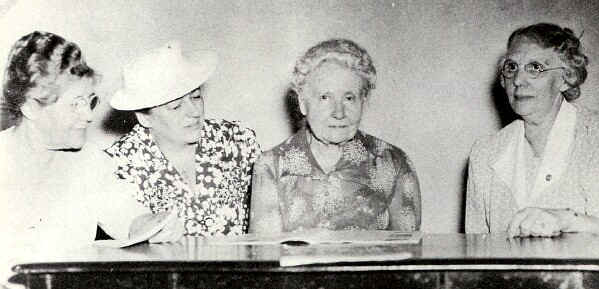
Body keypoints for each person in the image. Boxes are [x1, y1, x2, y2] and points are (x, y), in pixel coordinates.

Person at [0, 31, 182, 288]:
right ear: (31, 107)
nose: (88, 115)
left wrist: (157, 225)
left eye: (90, 101)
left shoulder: (89, 161)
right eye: (75, 104)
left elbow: (129, 219)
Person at [249, 39, 421, 233]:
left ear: (363, 101)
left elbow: (410, 252)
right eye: (325, 97)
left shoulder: (393, 162)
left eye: (349, 98)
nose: (338, 112)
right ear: (303, 103)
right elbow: (264, 255)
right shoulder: (271, 165)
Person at [105, 42, 260, 237]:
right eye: (176, 107)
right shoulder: (118, 164)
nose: (194, 112)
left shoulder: (238, 140)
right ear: (144, 117)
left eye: (196, 97)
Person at [465, 23, 599, 238]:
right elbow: (476, 247)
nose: (518, 81)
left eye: (535, 68)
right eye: (511, 68)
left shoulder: (594, 137)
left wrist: (565, 220)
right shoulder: (485, 152)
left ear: (566, 78)